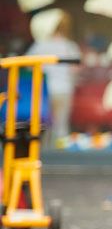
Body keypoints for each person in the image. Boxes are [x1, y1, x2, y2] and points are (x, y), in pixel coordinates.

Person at [26, 10, 81, 146]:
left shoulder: (40, 45)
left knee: (43, 123)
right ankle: (60, 155)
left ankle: (43, 151)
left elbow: (27, 64)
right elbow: (76, 68)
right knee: (61, 124)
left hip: (43, 90)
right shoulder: (69, 46)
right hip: (64, 89)